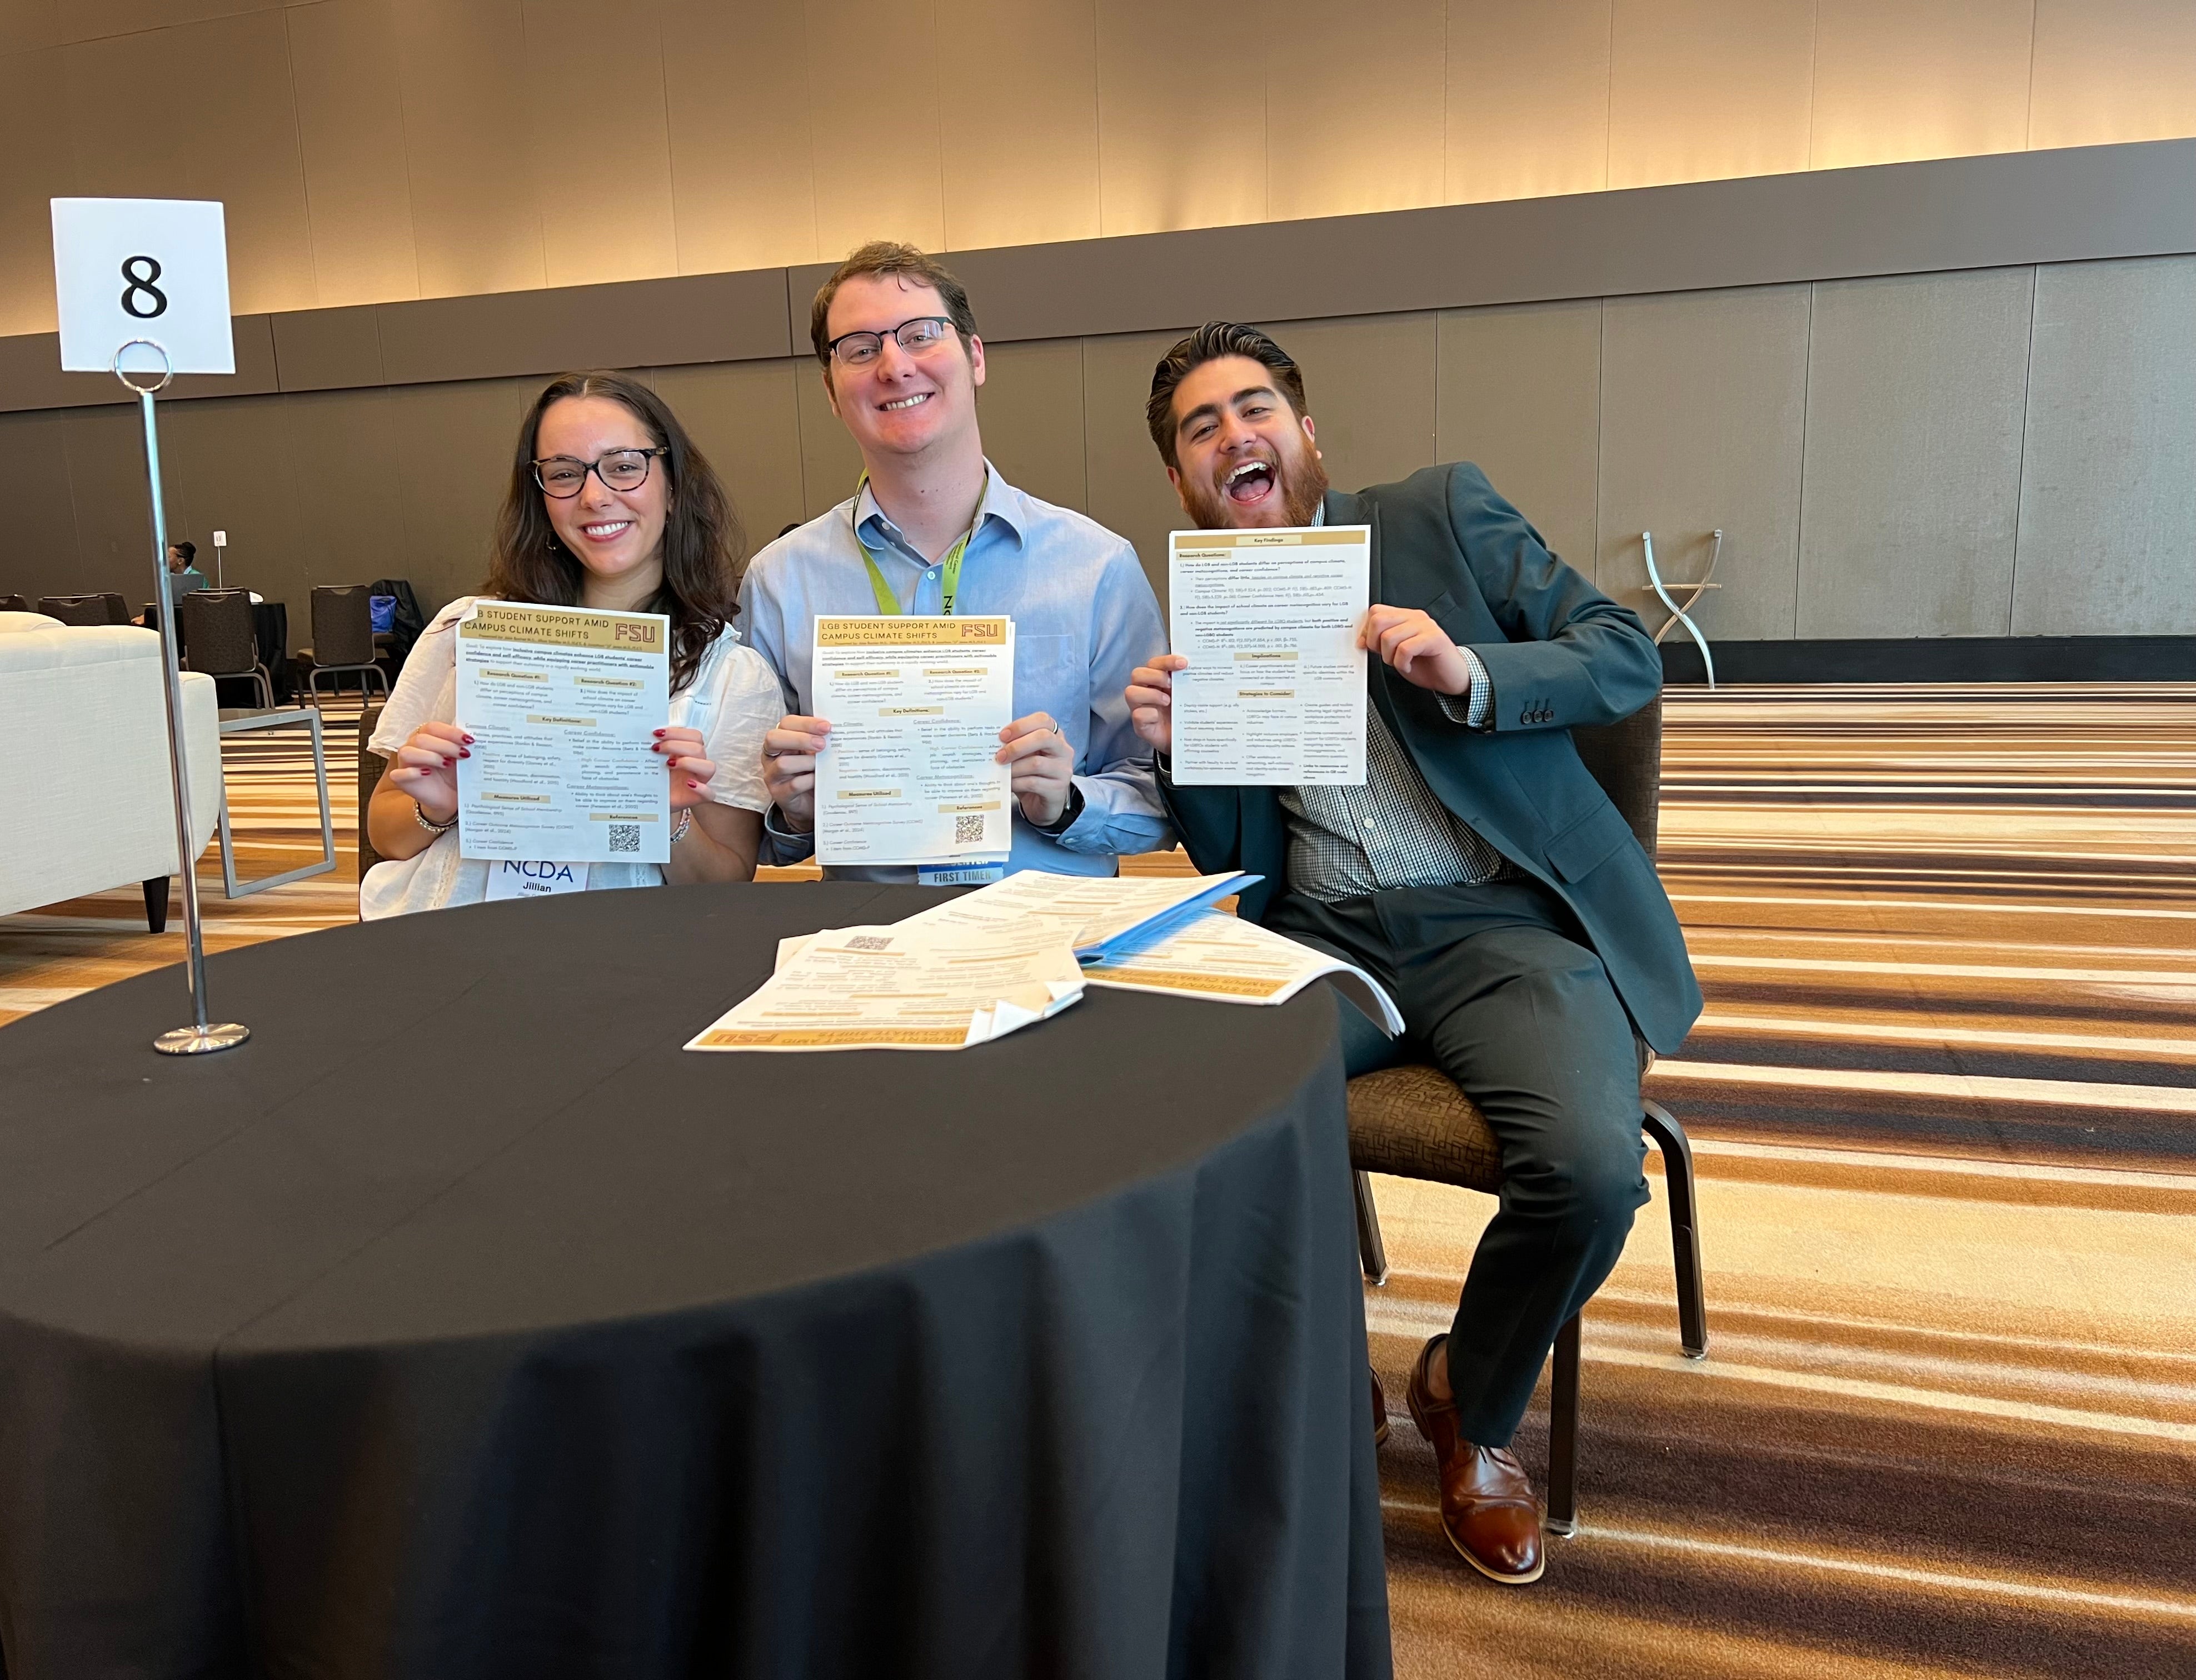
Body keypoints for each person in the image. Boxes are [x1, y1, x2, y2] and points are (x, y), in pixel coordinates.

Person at [1126, 323, 1702, 1587]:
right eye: (1200, 429)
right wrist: (1182, 753)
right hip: (1324, 934)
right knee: (1185, 1118)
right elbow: (1232, 851)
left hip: (1500, 923)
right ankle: (1315, 1376)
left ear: (1306, 434)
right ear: (1181, 478)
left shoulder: (1436, 513)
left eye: (1254, 409)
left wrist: (1467, 670)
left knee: (1588, 1173)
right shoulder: (1211, 615)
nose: (1233, 437)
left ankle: (1468, 1399)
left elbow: (1621, 653)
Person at [740, 242, 1172, 883]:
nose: (895, 366)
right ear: (831, 391)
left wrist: (1068, 803)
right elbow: (748, 832)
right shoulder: (780, 582)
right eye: (860, 349)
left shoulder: (1097, 568)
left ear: (974, 357)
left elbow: (1161, 802)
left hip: (1051, 935)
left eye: (920, 335)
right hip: (870, 937)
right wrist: (794, 811)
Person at [361, 371, 782, 917]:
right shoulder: (469, 632)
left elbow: (727, 884)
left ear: (674, 487)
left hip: (620, 947)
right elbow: (386, 837)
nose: (595, 497)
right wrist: (439, 808)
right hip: (450, 934)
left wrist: (669, 819)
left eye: (624, 467)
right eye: (564, 474)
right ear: (541, 499)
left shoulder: (733, 676)